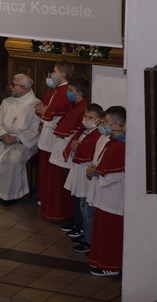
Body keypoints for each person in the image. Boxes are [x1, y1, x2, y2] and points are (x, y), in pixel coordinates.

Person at [0, 74, 42, 204]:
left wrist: (17, 139)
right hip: (4, 138)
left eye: (14, 85)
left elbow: (36, 130)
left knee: (12, 160)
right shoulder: (7, 102)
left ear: (23, 88)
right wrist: (2, 135)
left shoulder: (36, 105)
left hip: (24, 143)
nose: (10, 88)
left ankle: (11, 195)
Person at [43, 74, 89, 223]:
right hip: (66, 149)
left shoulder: (82, 109)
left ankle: (78, 222)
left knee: (75, 192)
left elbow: (78, 130)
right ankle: (75, 220)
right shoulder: (76, 106)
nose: (67, 93)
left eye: (70, 90)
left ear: (79, 93)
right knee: (72, 190)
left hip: (71, 153)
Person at [87, 106, 126, 277]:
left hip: (114, 196)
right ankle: (103, 261)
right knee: (103, 230)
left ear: (117, 124)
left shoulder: (122, 145)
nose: (103, 125)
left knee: (111, 233)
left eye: (106, 122)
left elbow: (116, 173)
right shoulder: (113, 141)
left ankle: (111, 265)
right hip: (106, 195)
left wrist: (96, 173)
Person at [62, 103, 105, 253]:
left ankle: (89, 240)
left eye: (90, 117)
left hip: (87, 175)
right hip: (80, 171)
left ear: (99, 120)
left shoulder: (98, 135)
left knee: (88, 209)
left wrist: (78, 147)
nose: (86, 119)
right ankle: (85, 234)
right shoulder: (86, 131)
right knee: (82, 206)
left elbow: (91, 152)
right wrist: (76, 147)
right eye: (86, 116)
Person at [34, 61, 74, 221]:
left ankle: (57, 211)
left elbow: (62, 116)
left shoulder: (65, 92)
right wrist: (44, 114)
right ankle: (47, 206)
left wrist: (46, 114)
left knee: (55, 177)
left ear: (62, 74)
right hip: (48, 137)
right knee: (48, 175)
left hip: (56, 139)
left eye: (55, 71)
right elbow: (45, 110)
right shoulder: (57, 90)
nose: (51, 75)